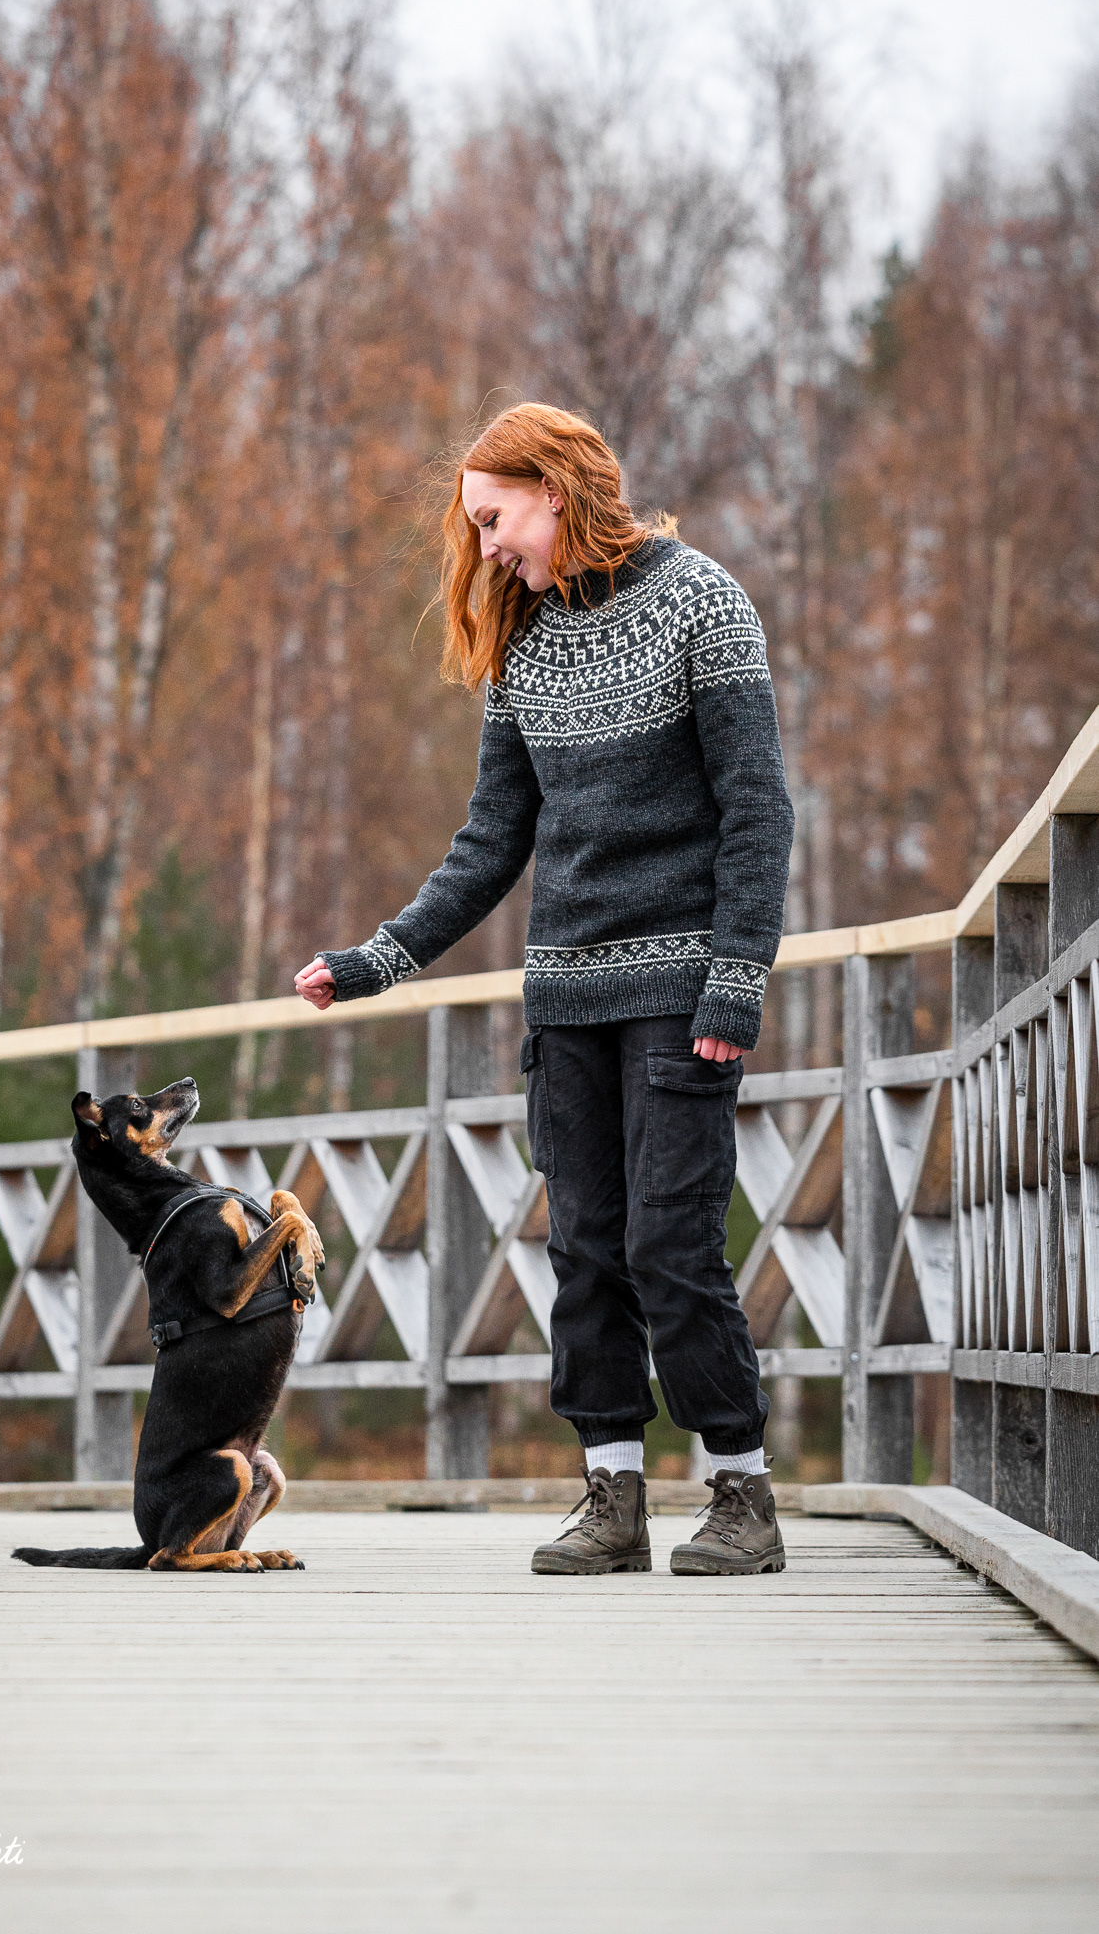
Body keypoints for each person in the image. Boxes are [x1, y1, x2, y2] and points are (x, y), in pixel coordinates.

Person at [295, 403, 795, 1576]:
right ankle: (611, 1493)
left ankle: (742, 1493)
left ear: (554, 490)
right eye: (474, 527)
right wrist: (379, 959)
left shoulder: (701, 603)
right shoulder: (527, 647)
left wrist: (734, 985)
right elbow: (489, 844)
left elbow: (758, 815)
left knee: (675, 1247)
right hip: (565, 999)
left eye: (492, 518)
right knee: (586, 1249)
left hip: (680, 994)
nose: (483, 549)